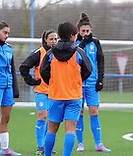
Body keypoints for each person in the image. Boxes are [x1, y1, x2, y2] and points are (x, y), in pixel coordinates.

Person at [41, 22, 92, 156]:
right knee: (70, 130)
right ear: (72, 36)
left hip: (55, 96)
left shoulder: (50, 53)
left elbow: (43, 71)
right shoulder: (79, 52)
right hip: (74, 97)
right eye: (75, 35)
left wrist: (53, 83)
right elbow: (89, 70)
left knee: (51, 129)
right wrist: (77, 80)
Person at [75, 12, 111, 152]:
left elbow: (100, 61)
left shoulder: (95, 42)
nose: (85, 33)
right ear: (78, 31)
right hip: (77, 83)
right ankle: (80, 143)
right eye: (83, 31)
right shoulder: (75, 43)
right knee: (79, 112)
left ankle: (99, 144)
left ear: (91, 30)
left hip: (92, 83)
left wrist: (100, 79)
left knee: (94, 111)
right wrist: (82, 42)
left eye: (87, 31)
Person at [19, 30, 58, 155]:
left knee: (52, 119)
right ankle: (40, 146)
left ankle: (47, 146)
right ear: (45, 40)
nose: (54, 41)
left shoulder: (60, 53)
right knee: (42, 115)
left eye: (56, 39)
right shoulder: (39, 53)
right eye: (51, 39)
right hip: (41, 91)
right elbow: (23, 67)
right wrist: (31, 81)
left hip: (55, 92)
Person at [0, 21, 21, 156]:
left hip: (7, 86)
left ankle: (5, 148)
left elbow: (12, 70)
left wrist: (15, 88)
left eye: (8, 33)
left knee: (6, 117)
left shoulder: (8, 48)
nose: (7, 35)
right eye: (4, 32)